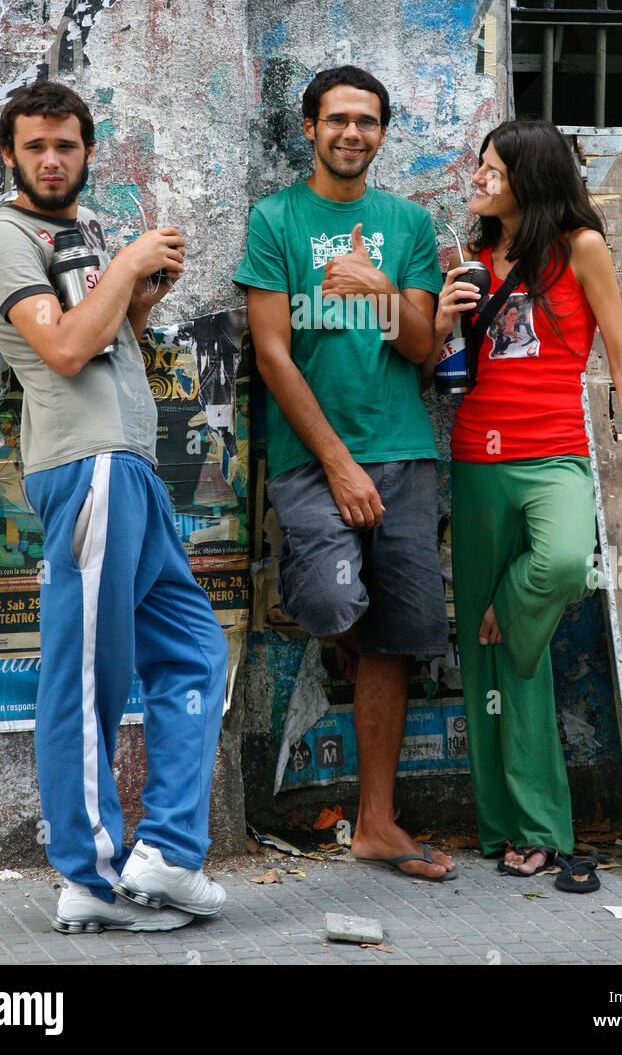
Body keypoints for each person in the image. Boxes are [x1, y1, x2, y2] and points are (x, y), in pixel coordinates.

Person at [0, 81, 228, 933]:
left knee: (193, 652)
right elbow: (69, 348)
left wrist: (141, 293)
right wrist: (124, 264)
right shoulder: (4, 236)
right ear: (8, 154)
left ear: (88, 152)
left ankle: (169, 855)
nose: (51, 159)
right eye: (35, 146)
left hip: (132, 469)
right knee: (87, 676)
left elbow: (111, 338)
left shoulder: (81, 233)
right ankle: (86, 875)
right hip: (88, 469)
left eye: (66, 146)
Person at [423, 119, 622, 889]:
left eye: (492, 168)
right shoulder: (470, 259)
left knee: (564, 561)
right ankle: (519, 830)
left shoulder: (581, 250)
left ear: (529, 177)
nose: (478, 177)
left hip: (555, 454)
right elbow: (446, 368)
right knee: (497, 665)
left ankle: (506, 601)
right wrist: (441, 315)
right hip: (477, 459)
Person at [235, 65, 456, 881]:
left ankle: (376, 824)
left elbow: (427, 349)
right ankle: (355, 646)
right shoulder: (276, 221)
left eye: (367, 121)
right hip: (311, 459)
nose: (351, 133)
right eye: (337, 120)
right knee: (330, 599)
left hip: (402, 451)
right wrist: (336, 465)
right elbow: (270, 354)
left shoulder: (406, 225)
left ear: (384, 132)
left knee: (398, 643)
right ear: (310, 127)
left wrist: (383, 291)